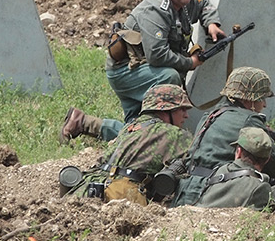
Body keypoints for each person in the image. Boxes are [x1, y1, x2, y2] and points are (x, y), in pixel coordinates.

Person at [60, 0, 225, 142]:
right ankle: (167, 135)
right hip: (127, 71)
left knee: (138, 135)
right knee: (169, 77)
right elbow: (157, 55)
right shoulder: (155, 9)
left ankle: (83, 122)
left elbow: (203, 3)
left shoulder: (185, 3)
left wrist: (212, 24)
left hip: (144, 70)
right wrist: (189, 63)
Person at [171, 67, 275, 207]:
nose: (264, 104)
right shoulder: (249, 120)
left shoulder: (211, 115)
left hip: (184, 192)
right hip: (213, 195)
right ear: (250, 99)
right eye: (262, 98)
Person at [62, 85, 194, 205]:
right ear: (166, 110)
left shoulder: (131, 127)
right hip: (120, 194)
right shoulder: (175, 134)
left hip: (87, 186)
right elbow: (200, 154)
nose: (186, 115)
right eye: (182, 109)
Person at [194, 126, 275, 210]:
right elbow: (267, 200)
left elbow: (252, 190)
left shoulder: (221, 171)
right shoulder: (258, 187)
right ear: (267, 160)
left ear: (238, 152)